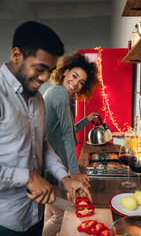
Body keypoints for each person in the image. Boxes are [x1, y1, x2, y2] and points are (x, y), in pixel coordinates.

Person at [0, 21, 92, 236]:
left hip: (34, 215)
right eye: (40, 69)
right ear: (16, 55)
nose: (44, 78)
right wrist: (28, 177)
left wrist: (65, 178)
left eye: (49, 71)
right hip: (5, 222)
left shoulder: (38, 99)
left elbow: (42, 144)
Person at [43, 52, 100, 236]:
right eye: (75, 76)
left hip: (49, 167)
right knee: (60, 217)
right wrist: (74, 174)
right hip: (53, 168)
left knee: (49, 211)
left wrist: (86, 120)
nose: (76, 83)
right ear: (65, 72)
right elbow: (67, 133)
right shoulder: (60, 93)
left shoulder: (57, 93)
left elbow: (65, 130)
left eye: (81, 82)